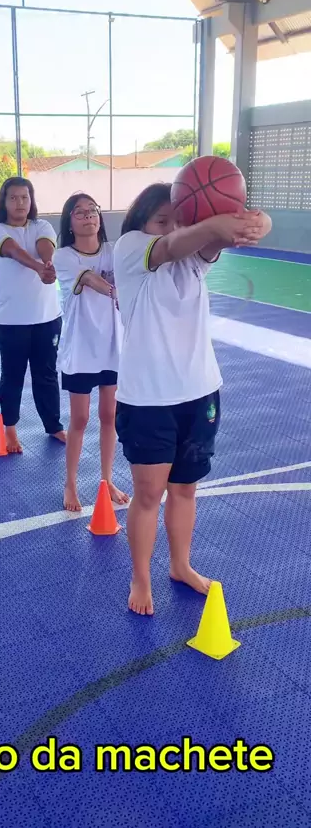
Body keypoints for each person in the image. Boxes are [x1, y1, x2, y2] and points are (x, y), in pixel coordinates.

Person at [113, 183, 272, 616]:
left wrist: (255, 222)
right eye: (161, 220)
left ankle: (180, 565)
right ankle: (140, 576)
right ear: (142, 223)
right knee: (149, 494)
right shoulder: (131, 249)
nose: (172, 227)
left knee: (185, 489)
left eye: (178, 219)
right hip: (148, 398)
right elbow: (171, 245)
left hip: (200, 391)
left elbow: (216, 237)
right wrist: (211, 225)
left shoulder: (194, 258)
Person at [54, 193, 128, 512]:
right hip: (81, 348)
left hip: (112, 347)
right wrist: (117, 292)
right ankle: (70, 483)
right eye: (79, 212)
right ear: (69, 223)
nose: (88, 216)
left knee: (109, 415)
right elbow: (88, 279)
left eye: (92, 211)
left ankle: (106, 480)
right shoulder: (64, 256)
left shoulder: (115, 251)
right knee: (80, 418)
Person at [0, 177, 65, 453]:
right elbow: (14, 250)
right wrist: (40, 268)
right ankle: (10, 429)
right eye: (14, 197)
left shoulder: (42, 226)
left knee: (47, 375)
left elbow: (45, 246)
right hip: (11, 321)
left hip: (47, 318)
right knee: (13, 375)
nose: (20, 203)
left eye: (25, 197)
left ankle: (53, 425)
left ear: (31, 201)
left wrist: (48, 263)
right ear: (4, 202)